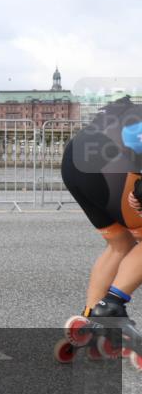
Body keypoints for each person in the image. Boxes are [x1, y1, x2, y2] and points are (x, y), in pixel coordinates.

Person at [60, 96, 142, 355]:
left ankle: (90, 317)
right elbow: (135, 135)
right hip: (110, 165)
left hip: (76, 159)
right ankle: (112, 306)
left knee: (120, 244)